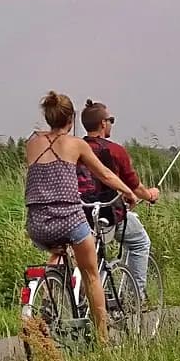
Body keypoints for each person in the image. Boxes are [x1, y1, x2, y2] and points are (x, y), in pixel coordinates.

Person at [24, 90, 137, 345]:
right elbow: (105, 174)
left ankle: (48, 298)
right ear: (71, 119)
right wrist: (128, 193)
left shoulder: (31, 142)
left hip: (37, 224)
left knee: (59, 253)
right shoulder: (76, 144)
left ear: (48, 116)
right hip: (69, 219)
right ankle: (103, 341)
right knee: (91, 274)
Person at [77, 99, 159, 298]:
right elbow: (135, 186)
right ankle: (135, 296)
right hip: (109, 214)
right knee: (140, 242)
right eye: (111, 119)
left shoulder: (75, 149)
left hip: (80, 215)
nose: (111, 123)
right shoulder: (115, 151)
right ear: (103, 123)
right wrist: (150, 195)